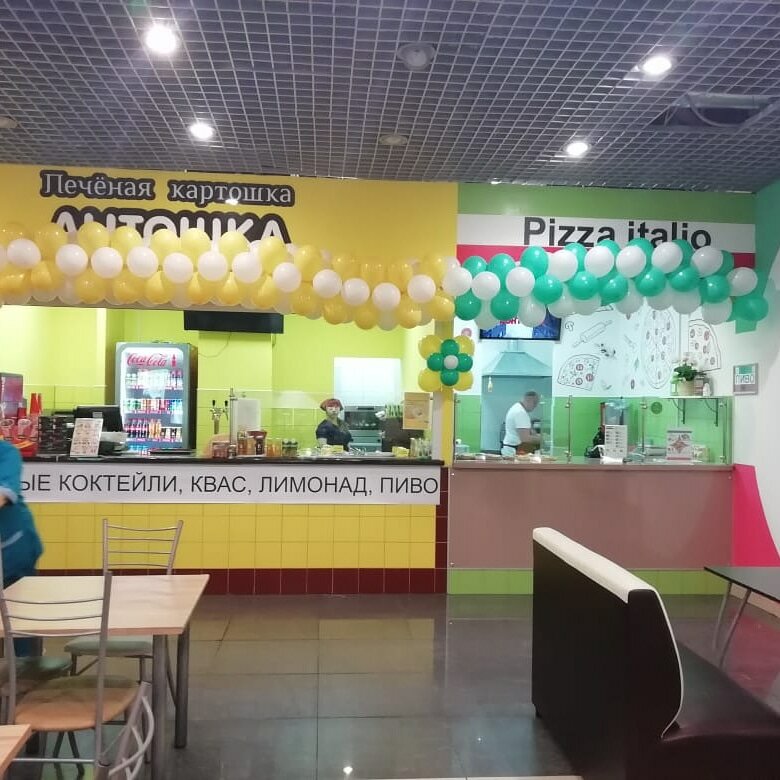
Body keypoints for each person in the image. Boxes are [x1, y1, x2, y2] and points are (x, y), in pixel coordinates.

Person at [501, 390, 542, 456]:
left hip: (511, 448)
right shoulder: (520, 412)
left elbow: (530, 430)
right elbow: (525, 438)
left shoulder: (518, 408)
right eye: (535, 403)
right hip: (514, 451)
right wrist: (542, 439)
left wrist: (536, 435)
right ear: (529, 400)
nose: (535, 406)